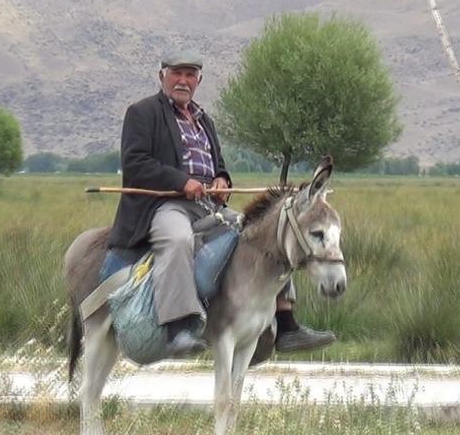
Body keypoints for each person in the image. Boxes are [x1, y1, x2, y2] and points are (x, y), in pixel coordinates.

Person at [106, 51, 335, 356]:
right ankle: (178, 329)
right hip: (165, 205)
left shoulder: (204, 120)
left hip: (207, 207)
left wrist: (222, 182)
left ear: (198, 81)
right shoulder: (143, 112)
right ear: (162, 75)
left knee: (267, 233)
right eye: (177, 74)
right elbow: (135, 163)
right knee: (177, 239)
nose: (183, 81)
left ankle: (285, 320)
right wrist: (181, 182)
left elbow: (220, 166)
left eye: (190, 75)